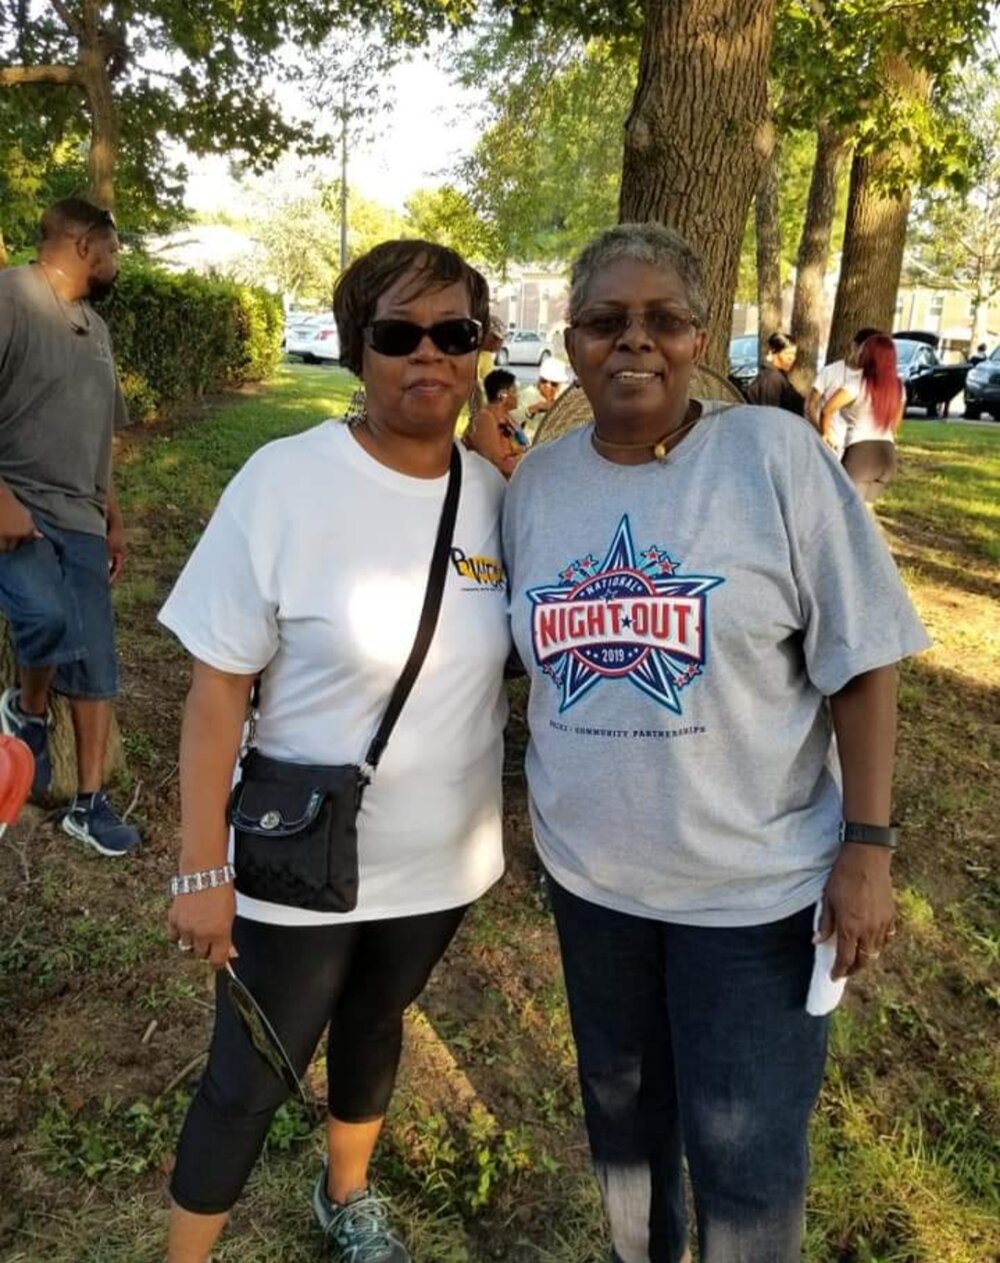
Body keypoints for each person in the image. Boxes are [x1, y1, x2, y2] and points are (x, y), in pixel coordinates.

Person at [502, 223, 930, 1263]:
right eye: (605, 320)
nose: (633, 341)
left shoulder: (773, 457)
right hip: (593, 887)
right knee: (626, 1139)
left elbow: (863, 660)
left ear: (700, 338)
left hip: (754, 898)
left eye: (663, 319)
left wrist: (868, 845)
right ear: (571, 341)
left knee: (744, 1162)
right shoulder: (535, 487)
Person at [158, 240, 510, 1263]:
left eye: (453, 333)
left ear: (479, 348)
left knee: (376, 1021)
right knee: (248, 1077)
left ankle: (345, 1193)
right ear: (359, 350)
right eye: (398, 334)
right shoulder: (286, 481)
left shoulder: (498, 494)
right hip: (300, 859)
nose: (427, 355)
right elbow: (216, 691)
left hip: (440, 860)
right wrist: (201, 867)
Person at [0, 197, 139, 856]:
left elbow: (96, 434)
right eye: (112, 250)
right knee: (48, 617)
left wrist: (112, 515)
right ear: (84, 245)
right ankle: (26, 712)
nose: (116, 264)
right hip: (18, 511)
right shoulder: (10, 298)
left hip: (82, 514)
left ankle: (89, 804)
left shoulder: (96, 329)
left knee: (98, 663)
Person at [821, 333, 903, 503]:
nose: (859, 353)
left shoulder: (857, 382)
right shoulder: (897, 386)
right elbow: (896, 423)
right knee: (867, 511)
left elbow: (827, 409)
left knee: (848, 510)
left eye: (863, 350)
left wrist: (826, 433)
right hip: (887, 455)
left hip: (862, 455)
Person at [806, 327, 880, 456]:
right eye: (864, 349)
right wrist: (822, 432)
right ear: (854, 346)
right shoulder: (830, 371)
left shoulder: (872, 380)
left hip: (856, 447)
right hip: (829, 444)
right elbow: (810, 405)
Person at [463, 367, 530, 478]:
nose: (517, 395)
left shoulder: (508, 417)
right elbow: (497, 461)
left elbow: (524, 446)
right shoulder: (485, 419)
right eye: (514, 391)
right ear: (502, 395)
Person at [745, 332, 805, 414]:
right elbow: (770, 413)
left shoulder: (777, 376)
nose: (791, 358)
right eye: (787, 353)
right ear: (773, 353)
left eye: (794, 354)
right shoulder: (772, 378)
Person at [512, 356, 569, 433]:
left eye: (553, 384)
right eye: (544, 381)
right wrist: (531, 410)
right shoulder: (529, 393)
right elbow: (512, 418)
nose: (547, 386)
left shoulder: (564, 396)